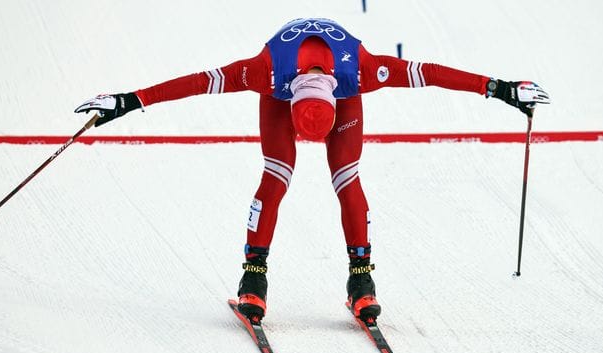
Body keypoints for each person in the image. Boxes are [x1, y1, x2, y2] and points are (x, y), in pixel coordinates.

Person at [75, 18, 550, 324]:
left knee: (347, 177)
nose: (311, 144)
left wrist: (500, 88)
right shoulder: (262, 70)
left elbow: (432, 73)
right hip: (283, 98)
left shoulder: (362, 70)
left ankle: (361, 281)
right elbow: (197, 83)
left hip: (338, 100)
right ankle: (254, 278)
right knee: (277, 173)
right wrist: (127, 101)